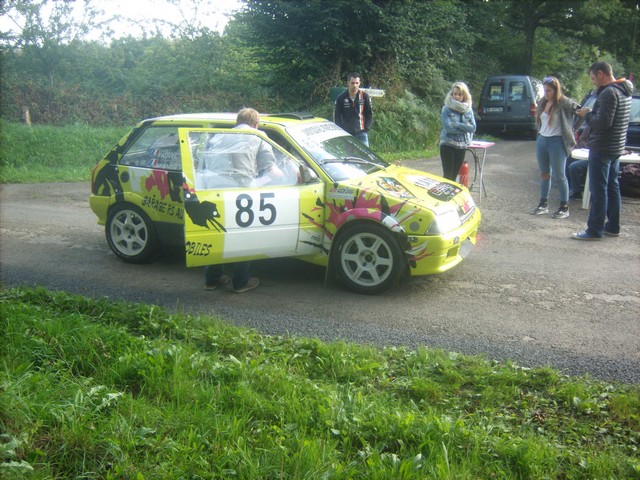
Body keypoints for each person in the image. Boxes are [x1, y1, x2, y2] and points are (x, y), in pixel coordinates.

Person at [203, 108, 282, 292]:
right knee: (244, 237)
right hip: (242, 194)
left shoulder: (217, 137)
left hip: (214, 193)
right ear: (256, 124)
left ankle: (212, 279)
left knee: (218, 234)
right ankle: (241, 282)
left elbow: (205, 166)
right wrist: (289, 174)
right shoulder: (258, 136)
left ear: (237, 122)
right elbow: (272, 171)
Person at [573, 61, 633, 240]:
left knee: (598, 189)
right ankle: (613, 226)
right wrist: (594, 113)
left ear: (601, 74)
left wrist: (586, 115)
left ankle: (594, 230)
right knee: (612, 187)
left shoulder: (608, 93)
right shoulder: (624, 90)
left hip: (602, 146)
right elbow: (611, 119)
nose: (593, 82)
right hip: (616, 147)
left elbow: (602, 123)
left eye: (593, 78)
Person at [531, 76, 578, 219]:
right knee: (545, 173)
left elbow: (579, 111)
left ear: (556, 90)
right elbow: (540, 121)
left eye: (549, 91)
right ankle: (543, 204)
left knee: (560, 175)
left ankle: (564, 207)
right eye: (544, 90)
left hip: (557, 141)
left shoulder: (563, 102)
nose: (546, 93)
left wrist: (572, 128)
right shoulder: (543, 102)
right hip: (542, 140)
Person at [438, 81, 476, 181]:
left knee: (454, 176)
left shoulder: (468, 110)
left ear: (464, 95)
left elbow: (473, 128)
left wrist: (457, 124)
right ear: (452, 94)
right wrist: (464, 127)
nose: (457, 97)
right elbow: (448, 128)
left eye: (459, 94)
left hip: (462, 145)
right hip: (448, 144)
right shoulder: (446, 109)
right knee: (448, 177)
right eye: (455, 94)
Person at [334, 72, 373, 146]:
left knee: (365, 157)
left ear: (359, 83)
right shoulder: (341, 98)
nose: (354, 85)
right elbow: (337, 117)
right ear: (348, 83)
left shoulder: (364, 96)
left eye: (356, 83)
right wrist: (342, 131)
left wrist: (366, 129)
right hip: (347, 135)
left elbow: (369, 114)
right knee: (349, 157)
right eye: (352, 83)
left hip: (362, 134)